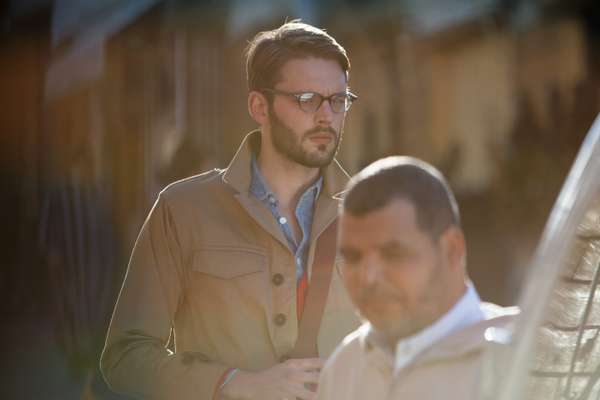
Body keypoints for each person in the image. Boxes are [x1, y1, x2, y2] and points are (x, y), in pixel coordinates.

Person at [100, 21, 361, 400]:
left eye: (338, 100)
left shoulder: (372, 215)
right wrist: (232, 383)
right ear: (260, 106)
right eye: (307, 99)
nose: (326, 116)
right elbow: (125, 355)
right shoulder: (183, 209)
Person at [317, 156, 519, 400]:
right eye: (353, 257)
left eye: (393, 254)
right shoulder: (343, 370)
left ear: (452, 249)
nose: (368, 277)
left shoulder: (527, 361)